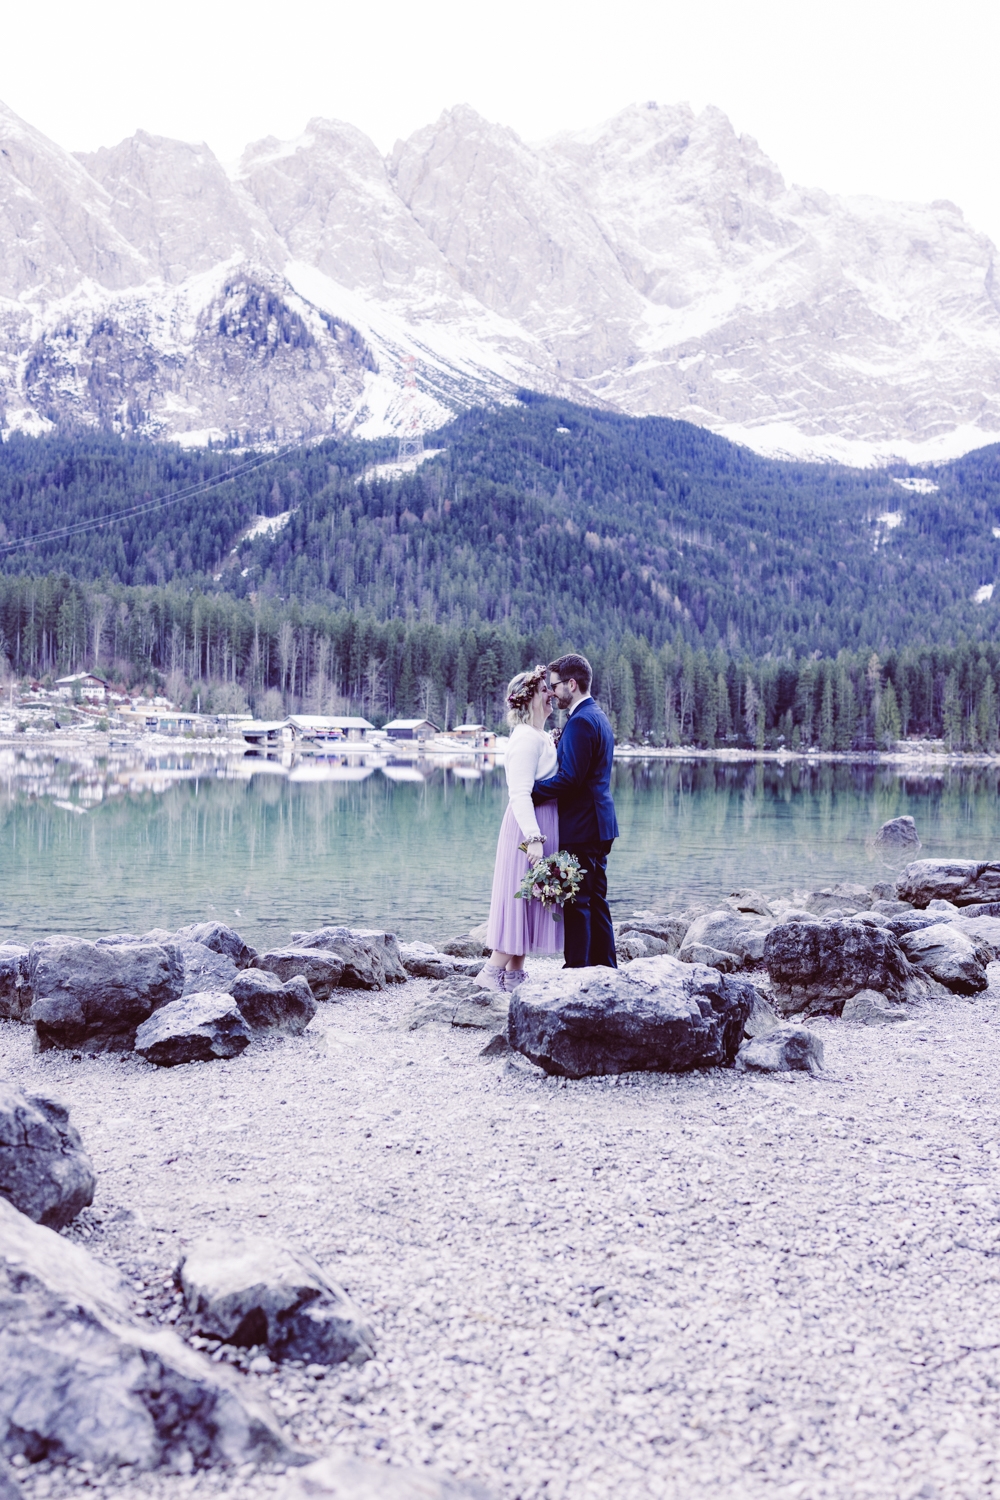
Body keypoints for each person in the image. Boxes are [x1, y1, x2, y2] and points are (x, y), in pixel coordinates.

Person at [476, 665, 562, 992]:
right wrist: (534, 839)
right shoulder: (525, 738)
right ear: (528, 699)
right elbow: (519, 793)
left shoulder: (539, 735)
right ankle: (489, 973)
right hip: (527, 830)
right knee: (520, 898)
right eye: (544, 690)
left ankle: (513, 976)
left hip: (537, 826)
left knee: (528, 900)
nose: (551, 694)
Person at [531, 653, 618, 968]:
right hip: (598, 823)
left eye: (555, 686)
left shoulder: (581, 721)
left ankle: (577, 970)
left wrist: (532, 793)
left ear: (572, 683)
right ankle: (605, 968)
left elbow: (570, 779)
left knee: (578, 900)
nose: (551, 692)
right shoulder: (596, 715)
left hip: (584, 825)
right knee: (595, 900)